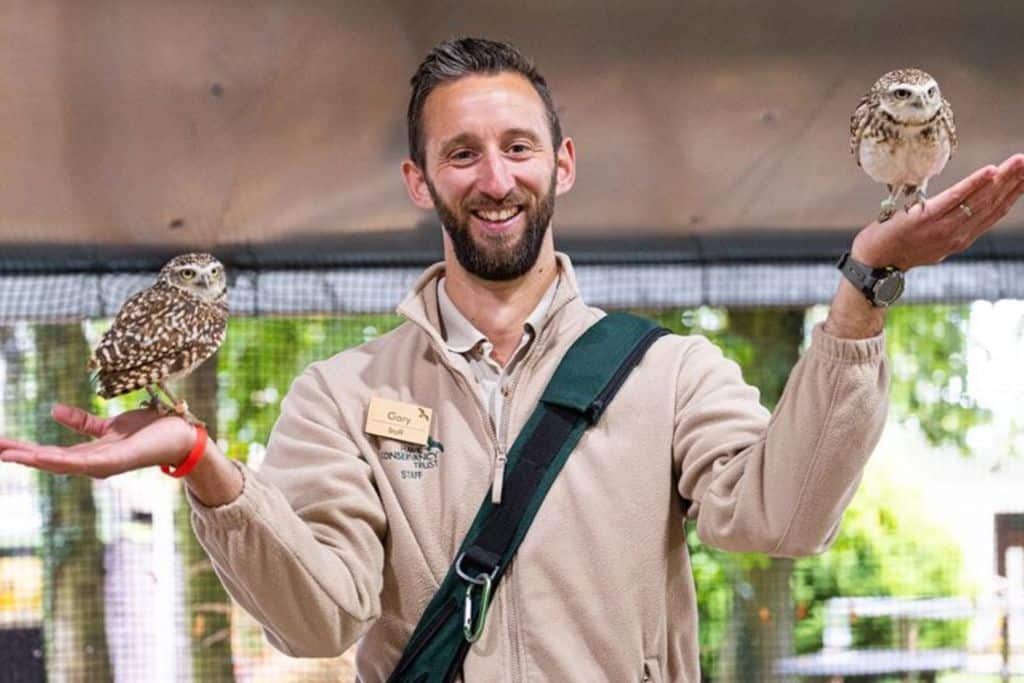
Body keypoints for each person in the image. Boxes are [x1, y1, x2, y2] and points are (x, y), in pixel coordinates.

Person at [2, 37, 1023, 681]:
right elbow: (317, 615)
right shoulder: (340, 395)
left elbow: (783, 515)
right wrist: (204, 464)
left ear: (562, 164)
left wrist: (861, 291)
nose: (496, 179)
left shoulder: (669, 371)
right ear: (418, 181)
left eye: (519, 147)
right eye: (461, 154)